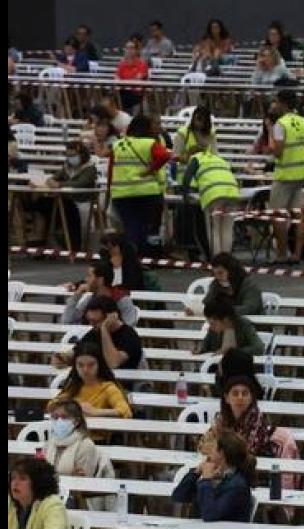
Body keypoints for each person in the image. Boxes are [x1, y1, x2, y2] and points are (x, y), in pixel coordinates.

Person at [108, 114, 171, 261]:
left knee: (130, 227)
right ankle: (145, 258)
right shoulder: (149, 143)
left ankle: (132, 258)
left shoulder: (118, 145)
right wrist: (151, 170)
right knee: (146, 228)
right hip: (146, 192)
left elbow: (111, 169)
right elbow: (164, 156)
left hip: (122, 194)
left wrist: (110, 190)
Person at [265, 91, 304, 265]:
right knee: (299, 214)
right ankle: (297, 253)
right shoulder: (302, 121)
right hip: (301, 173)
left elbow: (277, 151)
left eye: (276, 102)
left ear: (283, 104)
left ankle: (282, 253)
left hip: (285, 174)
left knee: (277, 214)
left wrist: (270, 132)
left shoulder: (280, 124)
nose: (274, 105)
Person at [171, 430, 256, 522]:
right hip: (204, 528)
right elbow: (179, 496)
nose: (209, 452)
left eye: (213, 448)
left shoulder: (237, 485)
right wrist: (196, 473)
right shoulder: (218, 477)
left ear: (221, 453)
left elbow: (210, 515)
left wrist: (206, 480)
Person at [57, 294, 144, 371]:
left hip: (122, 382)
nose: (92, 325)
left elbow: (113, 363)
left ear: (112, 316)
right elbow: (73, 353)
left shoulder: (129, 336)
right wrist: (61, 358)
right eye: (90, 321)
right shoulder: (94, 333)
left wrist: (104, 329)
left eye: (96, 321)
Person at [181, 147, 241, 258]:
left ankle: (217, 261)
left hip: (214, 195)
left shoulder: (196, 158)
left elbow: (186, 178)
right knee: (227, 229)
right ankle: (227, 260)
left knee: (215, 230)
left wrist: (185, 196)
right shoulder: (218, 159)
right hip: (232, 193)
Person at [42, 398, 112, 490]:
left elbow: (82, 483)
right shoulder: (50, 442)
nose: (59, 421)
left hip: (75, 495)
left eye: (64, 417)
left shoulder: (85, 445)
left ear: (76, 421)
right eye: (55, 417)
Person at [52, 344, 132, 419]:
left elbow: (126, 411)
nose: (85, 370)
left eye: (91, 365)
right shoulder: (73, 386)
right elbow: (52, 405)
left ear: (99, 365)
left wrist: (96, 412)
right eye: (80, 365)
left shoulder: (108, 388)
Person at [214, 375, 278, 458]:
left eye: (244, 394)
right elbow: (208, 445)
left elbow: (247, 452)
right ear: (227, 398)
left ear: (251, 398)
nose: (240, 397)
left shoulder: (257, 420)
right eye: (235, 394)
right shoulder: (222, 419)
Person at [200, 297, 265, 358]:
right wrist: (199, 349)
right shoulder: (213, 329)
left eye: (213, 324)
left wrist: (235, 352)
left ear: (226, 320)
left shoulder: (243, 324)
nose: (211, 327)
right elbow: (205, 347)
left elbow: (259, 348)